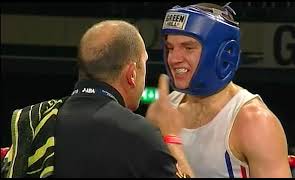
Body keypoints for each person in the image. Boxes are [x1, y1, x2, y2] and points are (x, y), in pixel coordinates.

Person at [146, 2, 292, 178]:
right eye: (170, 48)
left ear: (222, 53)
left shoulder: (254, 123)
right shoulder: (164, 110)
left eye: (188, 47)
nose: (174, 58)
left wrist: (171, 140)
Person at [54, 20, 193, 178]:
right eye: (144, 63)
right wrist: (171, 138)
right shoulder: (140, 135)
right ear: (132, 74)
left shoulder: (29, 119)